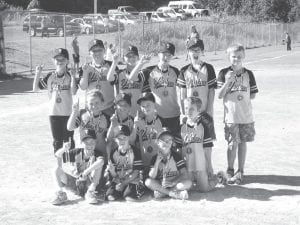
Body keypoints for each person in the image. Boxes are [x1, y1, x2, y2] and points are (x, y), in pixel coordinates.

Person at [217, 44, 258, 184]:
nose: (236, 59)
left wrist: (240, 95)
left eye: (239, 56)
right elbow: (220, 95)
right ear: (229, 57)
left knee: (242, 143)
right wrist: (228, 82)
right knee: (232, 144)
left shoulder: (249, 74)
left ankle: (240, 170)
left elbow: (252, 95)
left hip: (245, 115)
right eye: (233, 56)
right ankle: (229, 169)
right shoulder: (223, 73)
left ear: (244, 56)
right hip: (231, 116)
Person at [177, 38, 217, 178]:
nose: (195, 53)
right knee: (190, 141)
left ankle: (208, 167)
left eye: (198, 50)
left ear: (202, 52)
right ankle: (191, 170)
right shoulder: (183, 71)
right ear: (188, 53)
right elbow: (181, 93)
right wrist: (183, 112)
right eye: (192, 50)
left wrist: (209, 110)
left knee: (206, 143)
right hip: (189, 114)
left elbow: (211, 91)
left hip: (204, 112)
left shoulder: (209, 68)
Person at [131, 42, 182, 140]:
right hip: (157, 117)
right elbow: (132, 78)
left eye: (169, 55)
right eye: (164, 54)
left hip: (174, 115)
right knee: (159, 145)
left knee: (174, 145)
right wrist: (141, 63)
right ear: (159, 54)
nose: (166, 57)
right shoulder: (150, 71)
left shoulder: (175, 71)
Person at [32, 48, 76, 154]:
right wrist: (38, 73)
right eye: (57, 59)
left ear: (67, 61)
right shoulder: (50, 76)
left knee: (69, 140)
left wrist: (74, 77)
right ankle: (59, 165)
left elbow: (74, 91)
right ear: (53, 61)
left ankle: (71, 163)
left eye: (63, 59)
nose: (60, 62)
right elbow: (35, 89)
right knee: (57, 141)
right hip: (54, 113)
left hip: (67, 113)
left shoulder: (70, 76)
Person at [181, 97, 226, 191]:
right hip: (188, 165)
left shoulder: (203, 126)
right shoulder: (181, 127)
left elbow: (207, 149)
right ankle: (193, 179)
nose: (188, 111)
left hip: (200, 164)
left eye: (192, 109)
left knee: (204, 189)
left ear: (198, 110)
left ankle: (219, 177)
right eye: (186, 108)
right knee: (188, 188)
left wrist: (209, 166)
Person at [52, 130, 105, 205]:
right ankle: (60, 194)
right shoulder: (76, 152)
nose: (89, 145)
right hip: (75, 183)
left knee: (98, 166)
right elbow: (58, 155)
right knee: (56, 169)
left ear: (95, 143)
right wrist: (64, 149)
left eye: (92, 142)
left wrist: (86, 172)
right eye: (86, 143)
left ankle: (90, 192)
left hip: (89, 184)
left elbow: (101, 162)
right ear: (82, 143)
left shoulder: (97, 153)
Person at [145, 129, 192, 200]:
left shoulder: (176, 156)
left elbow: (184, 174)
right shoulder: (154, 158)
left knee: (188, 183)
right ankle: (173, 194)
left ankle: (163, 193)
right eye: (163, 139)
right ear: (157, 142)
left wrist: (173, 183)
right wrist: (157, 163)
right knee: (148, 182)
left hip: (174, 183)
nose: (166, 142)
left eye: (169, 140)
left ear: (172, 143)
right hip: (161, 184)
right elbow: (152, 177)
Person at [67, 90, 109, 161]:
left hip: (100, 153)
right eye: (91, 103)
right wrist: (74, 112)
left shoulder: (107, 118)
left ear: (102, 102)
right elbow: (70, 128)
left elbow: (110, 139)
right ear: (86, 104)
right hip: (84, 152)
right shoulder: (82, 114)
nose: (94, 106)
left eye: (97, 103)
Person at [107, 45, 148, 116]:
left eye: (134, 56)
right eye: (128, 56)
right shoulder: (119, 73)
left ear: (138, 58)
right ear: (123, 59)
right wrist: (114, 63)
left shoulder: (142, 74)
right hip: (122, 111)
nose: (131, 58)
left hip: (138, 111)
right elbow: (109, 78)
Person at [106, 125, 144, 201]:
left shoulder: (135, 151)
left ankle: (126, 190)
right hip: (119, 179)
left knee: (129, 198)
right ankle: (122, 191)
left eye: (124, 138)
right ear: (115, 140)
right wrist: (113, 171)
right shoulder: (113, 152)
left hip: (132, 179)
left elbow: (136, 172)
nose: (122, 140)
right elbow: (114, 175)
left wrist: (123, 184)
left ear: (129, 137)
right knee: (110, 197)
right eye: (119, 138)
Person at [79, 39, 116, 118]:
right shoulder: (85, 67)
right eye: (94, 51)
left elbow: (118, 85)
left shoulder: (111, 65)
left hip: (109, 107)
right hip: (92, 108)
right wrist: (85, 72)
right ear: (89, 53)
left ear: (104, 51)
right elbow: (83, 87)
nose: (97, 53)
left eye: (99, 50)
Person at [131, 92, 164, 175]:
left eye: (148, 104)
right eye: (143, 106)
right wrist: (135, 125)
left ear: (154, 104)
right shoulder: (139, 122)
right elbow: (131, 141)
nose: (145, 108)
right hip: (145, 164)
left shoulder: (162, 121)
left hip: (160, 163)